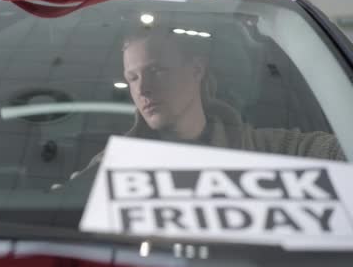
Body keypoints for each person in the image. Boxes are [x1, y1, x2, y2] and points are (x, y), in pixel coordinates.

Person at [81, 27, 346, 171]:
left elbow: (341, 152)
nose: (143, 90)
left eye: (156, 71)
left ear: (196, 70)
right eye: (133, 78)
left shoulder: (266, 151)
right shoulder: (111, 166)